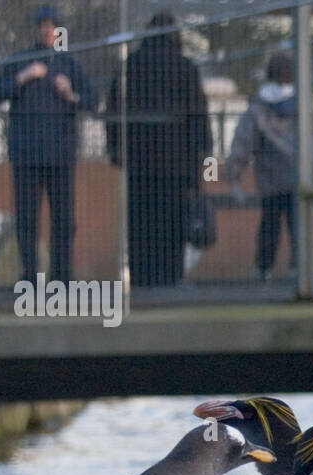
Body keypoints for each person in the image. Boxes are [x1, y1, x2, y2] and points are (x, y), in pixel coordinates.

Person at [0, 4, 97, 284]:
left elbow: (91, 99)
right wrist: (23, 77)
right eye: (42, 25)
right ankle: (29, 277)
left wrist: (70, 94)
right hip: (26, 156)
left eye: (51, 26)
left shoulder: (69, 64)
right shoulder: (20, 60)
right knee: (27, 220)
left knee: (63, 221)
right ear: (36, 29)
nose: (46, 30)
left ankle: (61, 278)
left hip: (61, 155)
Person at [106, 11, 211, 287]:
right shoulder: (185, 67)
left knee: (141, 221)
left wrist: (115, 149)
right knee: (172, 221)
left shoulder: (131, 66)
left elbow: (114, 110)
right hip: (177, 162)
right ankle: (171, 275)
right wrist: (204, 153)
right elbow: (198, 113)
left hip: (139, 161)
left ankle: (142, 276)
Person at [225, 52, 300, 282]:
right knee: (298, 224)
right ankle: (299, 268)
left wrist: (233, 175)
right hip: (299, 175)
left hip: (269, 176)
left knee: (269, 224)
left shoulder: (258, 108)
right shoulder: (302, 103)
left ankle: (264, 268)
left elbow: (243, 142)